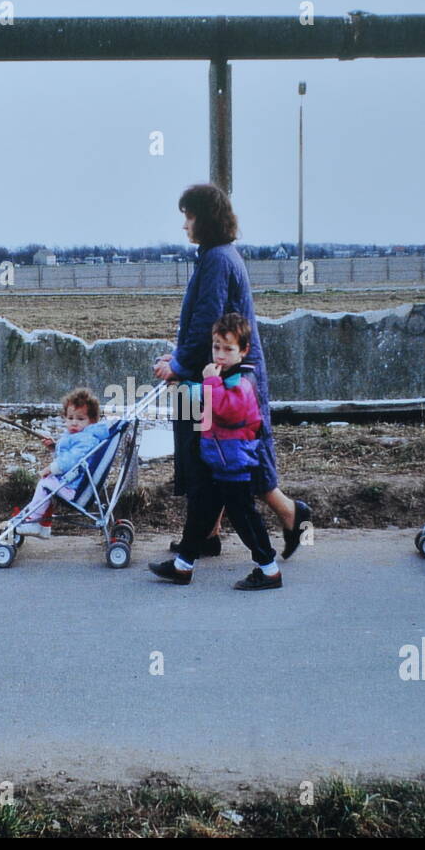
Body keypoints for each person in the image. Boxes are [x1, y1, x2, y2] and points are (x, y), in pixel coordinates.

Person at [152, 183, 313, 560]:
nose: (184, 225)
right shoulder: (219, 256)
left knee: (233, 454)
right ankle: (208, 533)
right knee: (216, 452)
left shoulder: (217, 260)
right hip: (225, 371)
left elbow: (207, 322)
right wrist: (178, 359)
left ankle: (291, 515)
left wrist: (177, 365)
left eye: (188, 216)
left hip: (227, 377)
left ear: (204, 219)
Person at [150, 314, 281, 590]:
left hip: (234, 465)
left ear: (243, 350)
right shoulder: (226, 376)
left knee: (245, 518)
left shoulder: (243, 379)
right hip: (217, 461)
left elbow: (227, 409)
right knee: (200, 513)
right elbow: (209, 397)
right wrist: (187, 387)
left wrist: (207, 383)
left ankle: (269, 569)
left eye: (228, 349)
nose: (220, 355)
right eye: (216, 347)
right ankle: (183, 566)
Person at [4, 388, 111, 539]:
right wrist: (54, 448)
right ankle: (43, 526)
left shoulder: (86, 439)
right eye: (70, 418)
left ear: (92, 421)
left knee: (45, 484)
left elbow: (71, 460)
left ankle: (33, 521)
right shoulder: (81, 436)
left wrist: (51, 468)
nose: (74, 422)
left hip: (72, 487)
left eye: (80, 419)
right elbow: (70, 457)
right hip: (71, 481)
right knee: (48, 489)